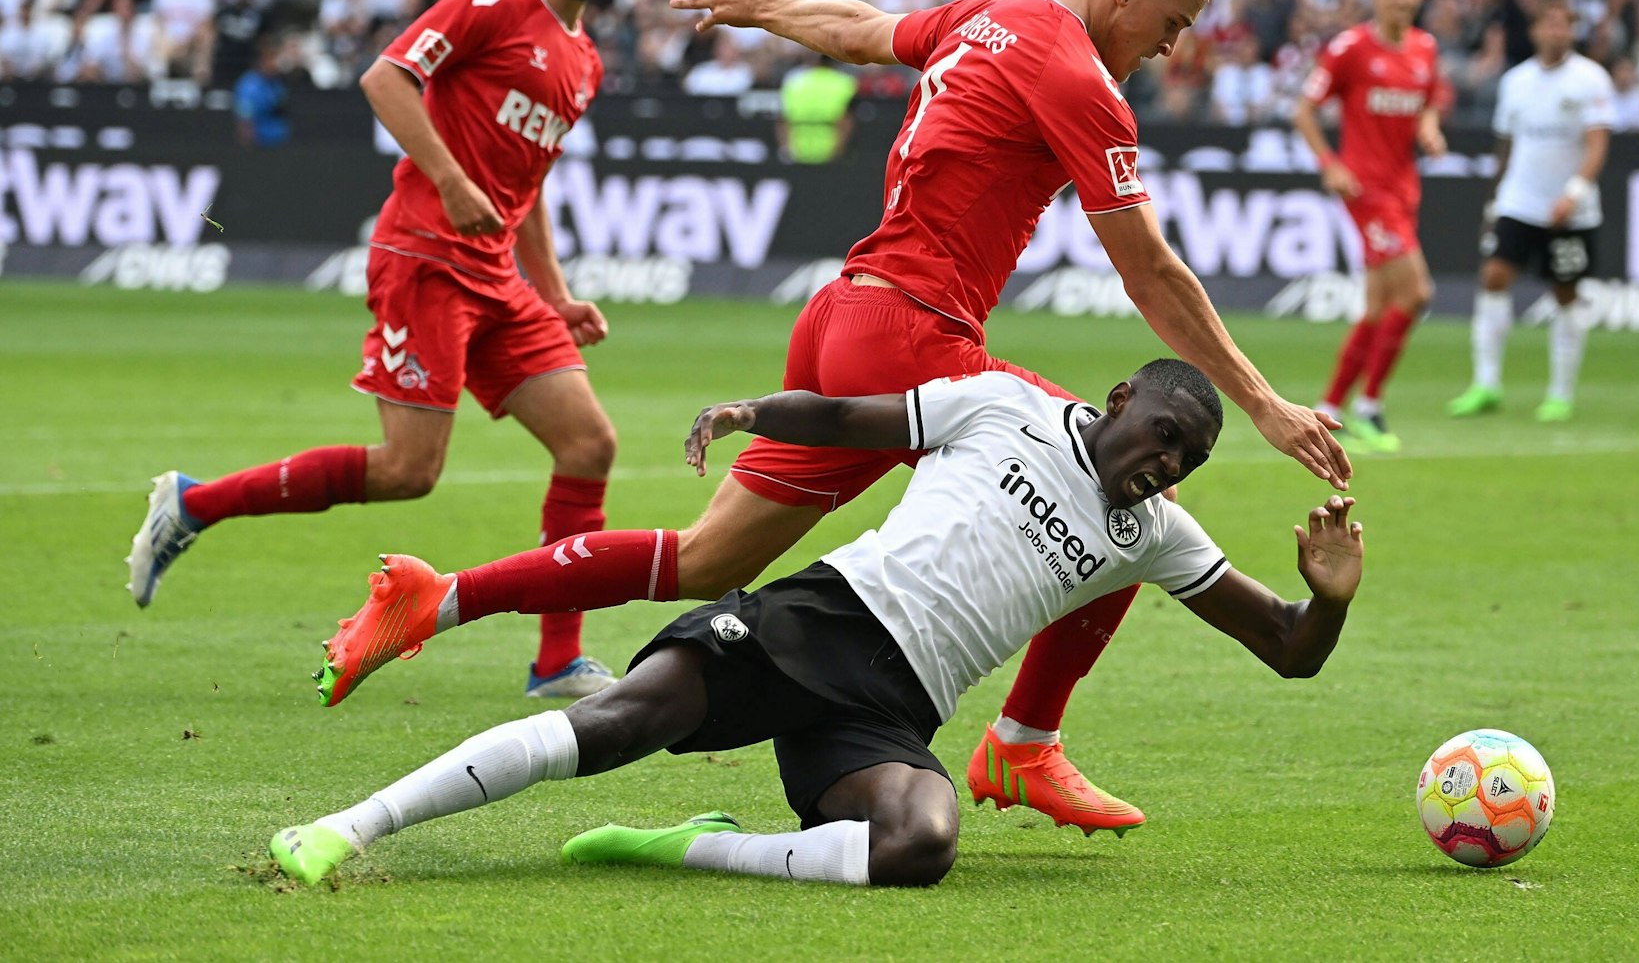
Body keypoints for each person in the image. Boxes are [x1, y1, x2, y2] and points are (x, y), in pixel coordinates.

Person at [312, 0, 1349, 838]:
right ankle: (1025, 745)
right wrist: (1260, 403)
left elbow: (863, 31)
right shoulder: (1078, 77)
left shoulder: (995, 14)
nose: (1170, 44)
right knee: (1118, 479)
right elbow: (1151, 273)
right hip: (912, 334)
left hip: (848, 311)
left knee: (708, 559)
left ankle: (437, 595)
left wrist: (763, 5)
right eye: (1170, 21)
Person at [271, 360, 1367, 888]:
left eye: (1185, 459)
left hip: (895, 708)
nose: (1166, 463)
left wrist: (1326, 596)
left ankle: (681, 849)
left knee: (922, 842)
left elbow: (1286, 651)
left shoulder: (1156, 533)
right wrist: (758, 411)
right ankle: (347, 829)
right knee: (610, 728)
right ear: (1121, 397)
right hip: (817, 620)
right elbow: (856, 418)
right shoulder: (1005, 407)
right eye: (1162, 433)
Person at [126, 0, 627, 699]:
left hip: (499, 273)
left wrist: (558, 293)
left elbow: (527, 187)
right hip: (426, 253)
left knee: (589, 444)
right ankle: (194, 502)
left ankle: (557, 661)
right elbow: (385, 78)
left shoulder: (584, 60)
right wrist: (450, 179)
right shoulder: (488, 3)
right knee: (408, 469)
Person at [1292, 0, 1449, 455]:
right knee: (1418, 292)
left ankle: (1331, 407)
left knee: (1380, 305)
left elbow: (1428, 103)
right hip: (1366, 190)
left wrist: (1429, 128)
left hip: (1405, 190)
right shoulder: (1351, 48)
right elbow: (1304, 111)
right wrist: (1330, 164)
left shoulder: (1425, 48)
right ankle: (1370, 405)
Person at [1446, 0, 1613, 424]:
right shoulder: (1516, 81)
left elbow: (1597, 144)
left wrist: (1573, 193)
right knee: (1494, 277)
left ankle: (1560, 393)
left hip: (1570, 208)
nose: (1556, 30)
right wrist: (1494, 199)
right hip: (1521, 200)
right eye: (1549, 22)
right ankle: (1486, 383)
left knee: (1565, 292)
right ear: (1535, 30)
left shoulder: (1590, 79)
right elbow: (1506, 145)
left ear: (1572, 31)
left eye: (1564, 23)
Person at [779, 53, 859, 163]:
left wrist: (787, 147)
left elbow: (784, 119)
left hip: (797, 148)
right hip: (829, 148)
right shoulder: (845, 83)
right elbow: (846, 120)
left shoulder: (794, 82)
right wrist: (839, 148)